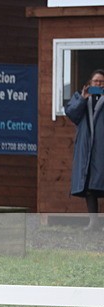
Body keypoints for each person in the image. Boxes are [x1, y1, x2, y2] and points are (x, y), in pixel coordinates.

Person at [66, 69, 104, 231]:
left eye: (102, 82)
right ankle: (93, 222)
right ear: (89, 83)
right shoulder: (80, 97)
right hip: (87, 147)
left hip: (101, 147)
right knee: (89, 186)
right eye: (96, 82)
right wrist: (83, 98)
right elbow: (71, 114)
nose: (99, 85)